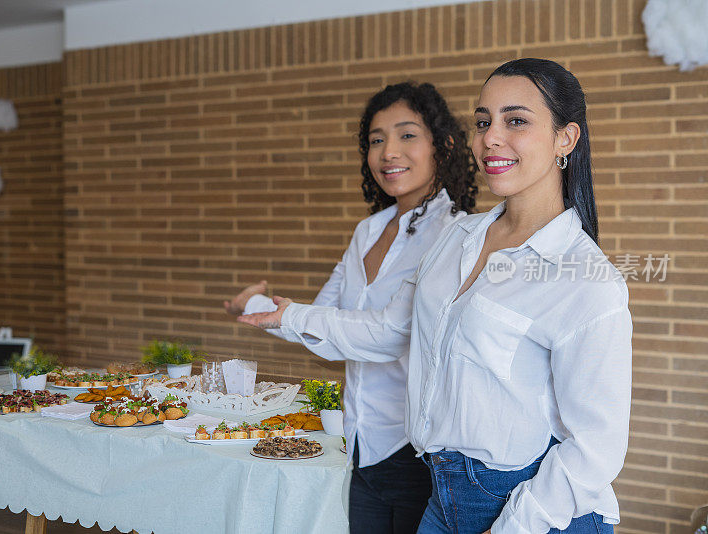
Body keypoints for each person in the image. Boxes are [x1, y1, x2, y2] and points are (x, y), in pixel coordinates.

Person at [238, 58, 632, 534]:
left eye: (516, 121)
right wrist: (283, 314)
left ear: (565, 139)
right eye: (484, 121)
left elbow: (596, 446)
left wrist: (515, 527)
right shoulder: (456, 240)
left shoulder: (586, 276)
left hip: (534, 510)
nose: (490, 137)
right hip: (444, 495)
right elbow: (391, 329)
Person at [225, 81, 478, 534]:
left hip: (416, 451)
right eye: (376, 140)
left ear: (444, 145)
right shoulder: (368, 231)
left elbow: (390, 334)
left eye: (406, 135)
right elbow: (326, 329)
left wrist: (288, 314)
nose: (388, 152)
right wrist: (257, 305)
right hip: (358, 441)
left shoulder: (455, 232)